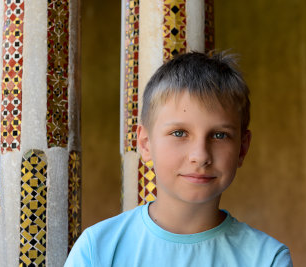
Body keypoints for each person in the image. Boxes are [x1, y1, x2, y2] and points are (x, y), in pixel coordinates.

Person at [64, 51, 293, 266]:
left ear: (242, 148)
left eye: (219, 135)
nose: (200, 156)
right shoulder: (99, 250)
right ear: (145, 144)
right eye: (179, 133)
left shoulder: (266, 259)